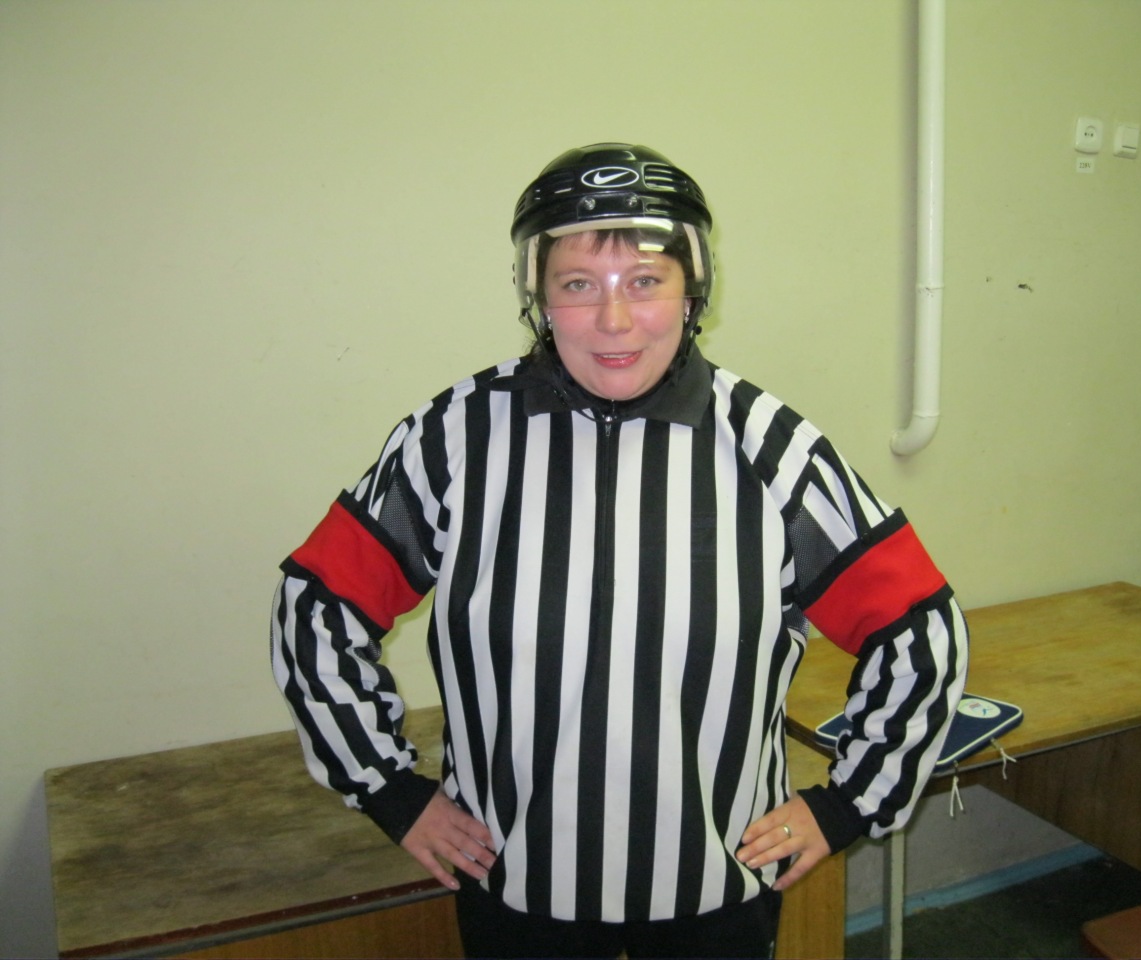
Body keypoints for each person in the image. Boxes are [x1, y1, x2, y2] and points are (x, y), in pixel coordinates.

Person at [271, 142, 968, 959]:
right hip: (519, 891)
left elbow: (922, 632)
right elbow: (316, 606)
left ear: (692, 290)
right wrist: (390, 791)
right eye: (578, 285)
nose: (614, 320)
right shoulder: (457, 438)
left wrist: (848, 804)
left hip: (713, 895)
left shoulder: (770, 449)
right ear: (536, 294)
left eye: (644, 281)